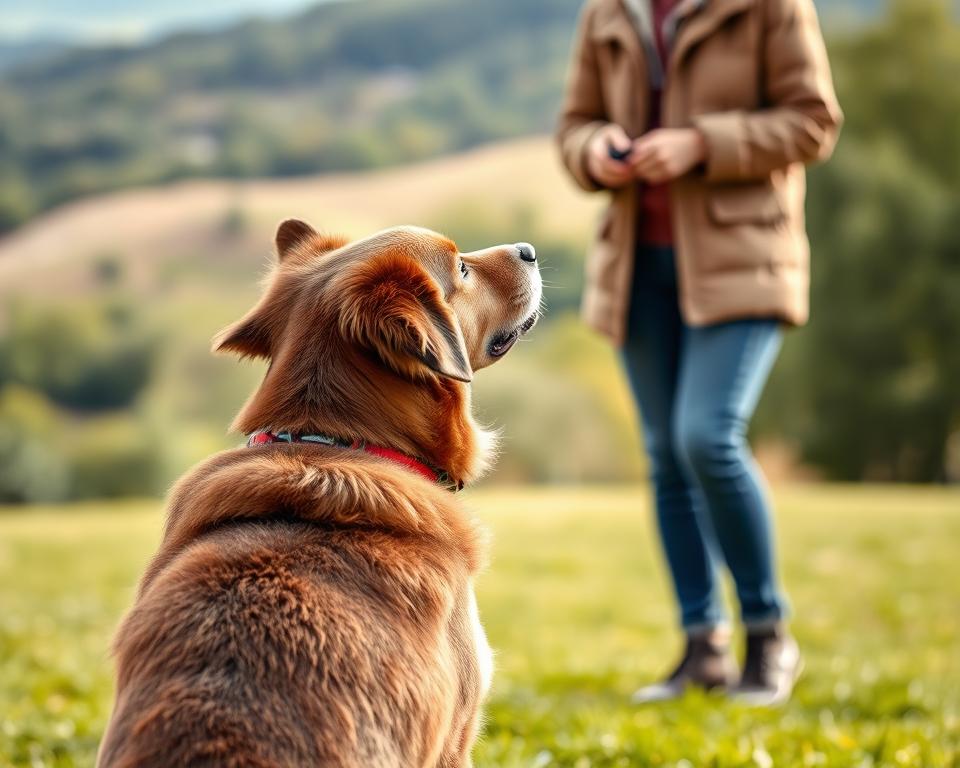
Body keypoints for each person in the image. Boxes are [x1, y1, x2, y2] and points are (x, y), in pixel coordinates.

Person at [556, 0, 842, 706]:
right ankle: (702, 647)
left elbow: (813, 121)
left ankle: (770, 635)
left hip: (742, 261)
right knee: (664, 456)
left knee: (705, 436)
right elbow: (573, 125)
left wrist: (701, 144)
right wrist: (592, 151)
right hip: (636, 267)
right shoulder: (609, 11)